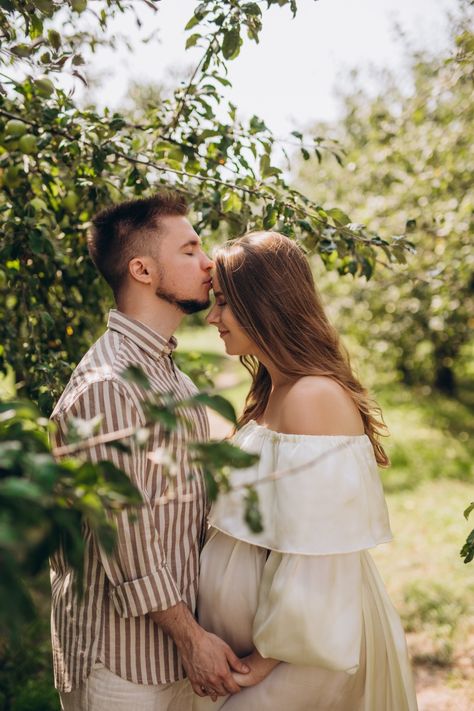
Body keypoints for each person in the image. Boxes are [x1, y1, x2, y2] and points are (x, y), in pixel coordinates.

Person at [189, 231, 419, 710]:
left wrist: (264, 659)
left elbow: (319, 554)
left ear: (263, 306)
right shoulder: (277, 389)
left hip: (305, 650)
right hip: (271, 650)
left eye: (225, 304)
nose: (213, 317)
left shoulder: (313, 397)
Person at [49, 191, 248, 711]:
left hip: (177, 651)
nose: (209, 263)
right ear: (141, 269)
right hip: (121, 664)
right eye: (189, 250)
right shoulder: (109, 385)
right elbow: (125, 538)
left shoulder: (171, 376)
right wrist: (192, 639)